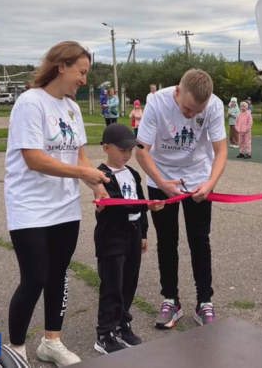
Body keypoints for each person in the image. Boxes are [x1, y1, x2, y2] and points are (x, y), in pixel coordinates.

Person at [3, 41, 109, 365]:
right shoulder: (30, 103)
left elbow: (77, 150)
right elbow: (34, 159)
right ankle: (16, 350)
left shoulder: (72, 109)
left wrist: (94, 184)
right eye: (82, 71)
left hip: (65, 207)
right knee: (34, 277)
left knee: (58, 274)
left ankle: (51, 342)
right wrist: (83, 172)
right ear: (61, 66)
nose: (84, 80)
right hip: (29, 206)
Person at [135, 68, 227, 329]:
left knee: (199, 239)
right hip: (160, 176)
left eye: (197, 111)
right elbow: (141, 151)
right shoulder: (156, 103)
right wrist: (162, 184)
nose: (191, 116)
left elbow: (220, 151)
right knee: (166, 240)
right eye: (187, 109)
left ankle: (204, 302)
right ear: (177, 92)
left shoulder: (214, 106)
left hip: (197, 176)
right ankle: (170, 300)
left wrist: (209, 184)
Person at [93, 123, 164, 354]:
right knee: (112, 284)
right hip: (112, 237)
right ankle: (105, 333)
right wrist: (146, 206)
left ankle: (123, 323)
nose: (127, 154)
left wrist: (143, 233)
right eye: (122, 149)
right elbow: (117, 205)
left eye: (130, 149)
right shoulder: (101, 176)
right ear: (106, 148)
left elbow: (139, 201)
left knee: (129, 282)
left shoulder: (132, 173)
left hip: (132, 234)